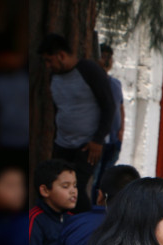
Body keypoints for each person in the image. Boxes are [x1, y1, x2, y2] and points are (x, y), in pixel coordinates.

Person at [37, 33, 115, 213]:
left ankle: (85, 230)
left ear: (61, 55)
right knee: (55, 189)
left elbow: (108, 106)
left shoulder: (89, 71)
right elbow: (60, 109)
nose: (48, 66)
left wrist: (98, 140)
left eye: (50, 61)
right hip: (62, 144)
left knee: (74, 191)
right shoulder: (53, 77)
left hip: (87, 146)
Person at [91, 43, 125, 203]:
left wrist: (121, 131)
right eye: (103, 56)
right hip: (98, 140)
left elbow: (121, 108)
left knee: (107, 179)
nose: (106, 61)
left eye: (109, 57)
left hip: (114, 140)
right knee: (94, 178)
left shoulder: (116, 83)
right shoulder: (93, 82)